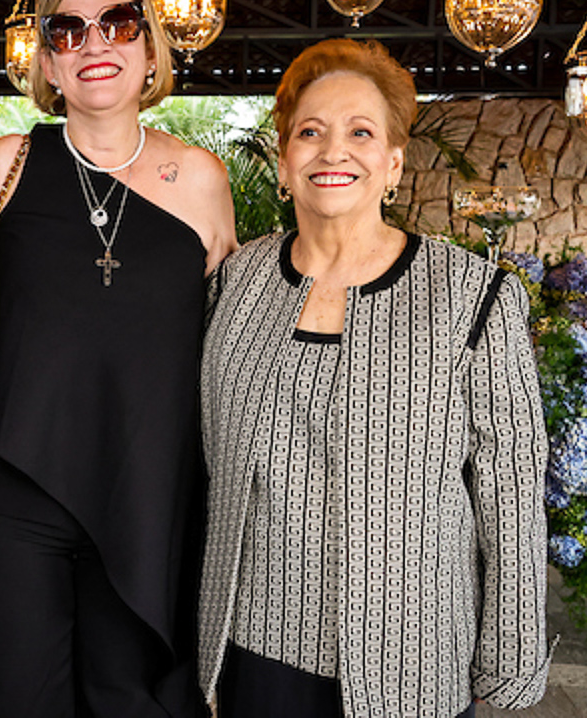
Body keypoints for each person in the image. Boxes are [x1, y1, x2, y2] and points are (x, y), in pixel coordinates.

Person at [197, 38, 553, 717]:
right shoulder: (235, 285)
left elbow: (509, 496)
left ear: (392, 163)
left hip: (412, 660)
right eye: (310, 132)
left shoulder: (473, 297)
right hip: (255, 650)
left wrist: (509, 657)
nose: (333, 151)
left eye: (361, 132)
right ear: (284, 160)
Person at [0, 0, 237, 718]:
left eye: (118, 23)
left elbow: (235, 338)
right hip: (11, 497)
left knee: (136, 701)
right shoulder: (6, 163)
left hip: (149, 496)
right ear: (48, 63)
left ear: (149, 50)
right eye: (68, 30)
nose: (95, 42)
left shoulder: (201, 179)